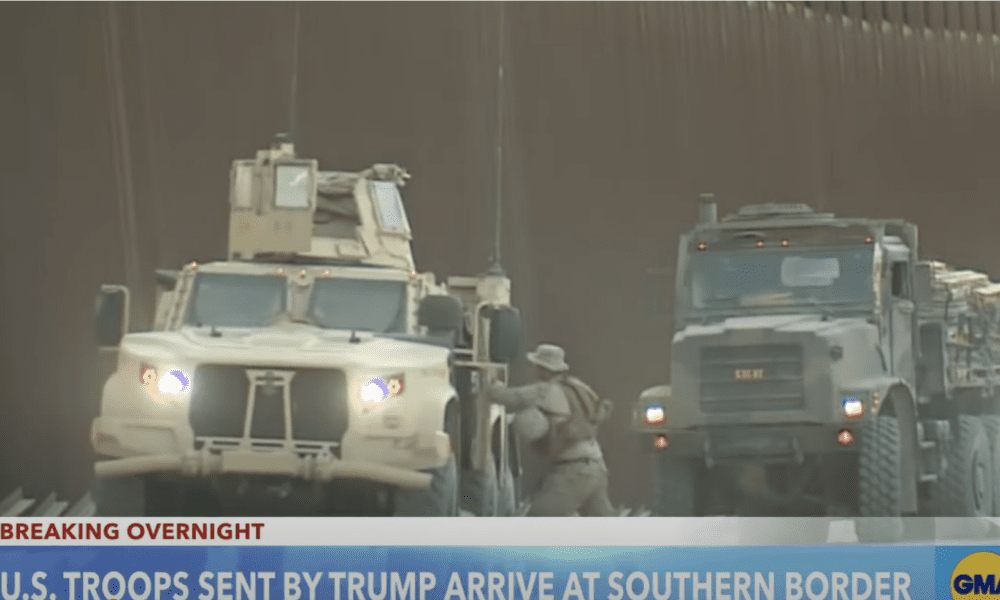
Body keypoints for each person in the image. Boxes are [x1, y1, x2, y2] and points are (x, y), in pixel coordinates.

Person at [484, 343, 617, 516]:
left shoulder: (544, 390)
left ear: (543, 369)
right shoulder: (577, 387)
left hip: (573, 471)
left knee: (538, 519)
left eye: (536, 365)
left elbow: (507, 397)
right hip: (597, 467)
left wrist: (488, 384)